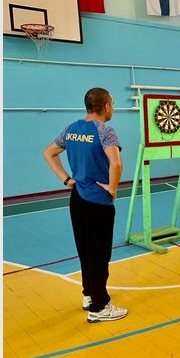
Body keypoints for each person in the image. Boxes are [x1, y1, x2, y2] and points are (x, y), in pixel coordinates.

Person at [42, 87, 128, 323]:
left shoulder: (71, 130)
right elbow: (116, 163)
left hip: (77, 199)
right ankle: (100, 307)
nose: (113, 107)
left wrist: (66, 180)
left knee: (86, 250)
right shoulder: (106, 131)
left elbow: (48, 153)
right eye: (112, 103)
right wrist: (112, 188)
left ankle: (89, 295)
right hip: (98, 200)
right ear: (106, 106)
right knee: (99, 254)